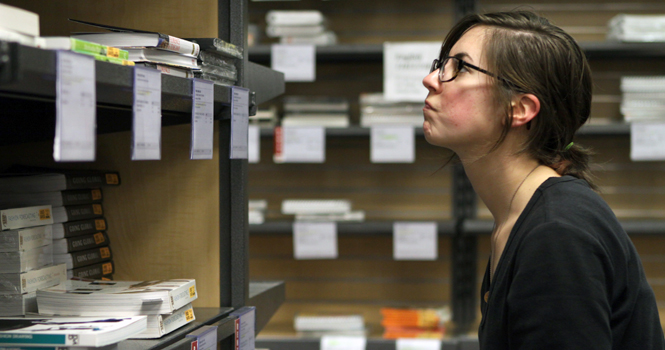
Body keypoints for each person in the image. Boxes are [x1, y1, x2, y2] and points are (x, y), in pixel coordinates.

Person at [422, 10, 665, 349]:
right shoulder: (523, 215)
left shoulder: (556, 233)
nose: (431, 79)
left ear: (520, 108)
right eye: (441, 63)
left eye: (460, 67)